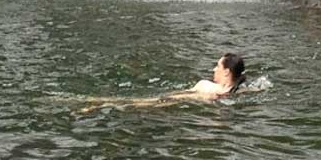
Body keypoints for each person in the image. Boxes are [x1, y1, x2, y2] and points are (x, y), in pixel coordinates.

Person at [76, 53, 250, 112]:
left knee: (134, 103)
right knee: (135, 104)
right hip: (174, 101)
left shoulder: (208, 85)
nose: (214, 69)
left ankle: (95, 104)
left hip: (173, 100)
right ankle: (96, 105)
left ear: (227, 71)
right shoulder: (233, 91)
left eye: (217, 66)